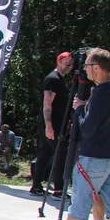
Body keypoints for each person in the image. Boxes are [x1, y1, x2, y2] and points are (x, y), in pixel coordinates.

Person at [39, 48, 110, 220]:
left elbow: (88, 128)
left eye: (88, 66)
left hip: (94, 157)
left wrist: (81, 109)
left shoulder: (100, 95)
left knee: (81, 200)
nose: (85, 70)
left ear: (98, 68)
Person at [31, 52, 73, 195]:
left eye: (71, 63)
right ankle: (58, 188)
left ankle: (36, 185)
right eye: (66, 62)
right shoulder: (53, 79)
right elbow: (47, 104)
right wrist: (48, 126)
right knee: (60, 152)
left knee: (45, 152)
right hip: (51, 123)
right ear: (59, 61)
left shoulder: (61, 79)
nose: (69, 66)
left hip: (57, 122)